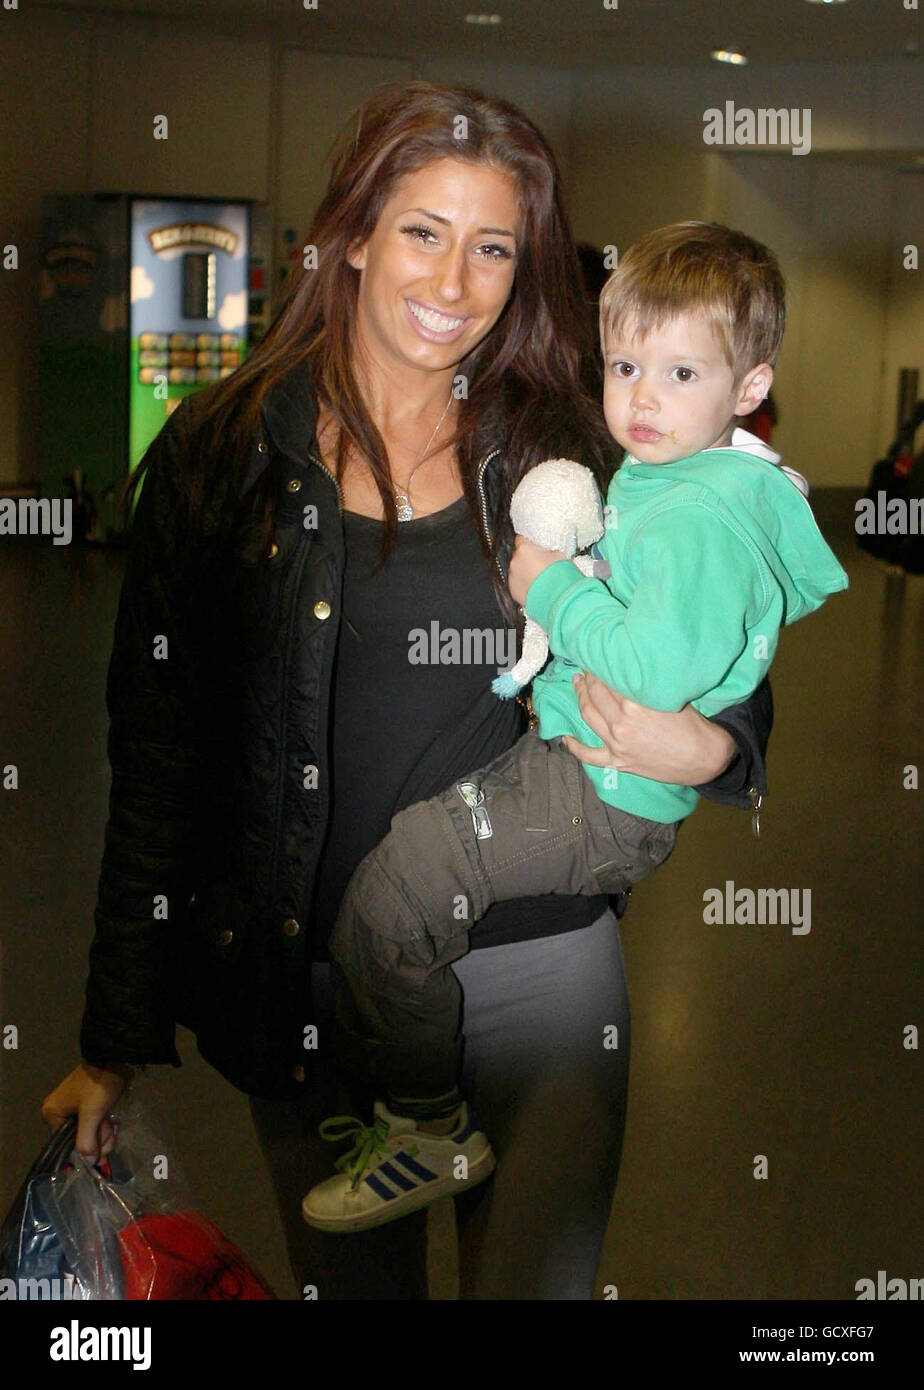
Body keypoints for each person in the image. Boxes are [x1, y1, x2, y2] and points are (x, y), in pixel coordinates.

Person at [41, 84, 774, 1301]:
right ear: (356, 236)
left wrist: (722, 746)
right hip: (317, 987)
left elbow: (723, 609)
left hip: (541, 975)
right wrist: (112, 1044)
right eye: (424, 231)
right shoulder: (223, 454)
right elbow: (159, 754)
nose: (455, 279)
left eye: (493, 247)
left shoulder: (573, 443)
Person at [300, 220, 848, 1234]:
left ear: (750, 386)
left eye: (682, 371)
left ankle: (424, 1126)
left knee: (398, 890)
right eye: (627, 364)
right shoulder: (681, 471)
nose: (642, 398)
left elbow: (657, 662)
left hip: (591, 790)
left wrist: (552, 588)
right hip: (577, 772)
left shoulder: (689, 505)